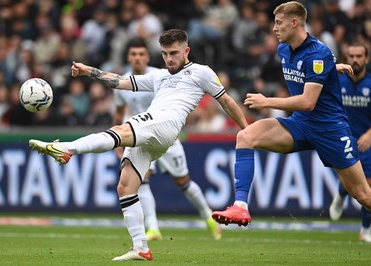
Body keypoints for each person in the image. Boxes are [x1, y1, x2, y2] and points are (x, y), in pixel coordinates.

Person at [29, 29, 248, 261]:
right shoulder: (159, 76)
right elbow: (119, 81)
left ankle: (67, 149)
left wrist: (246, 128)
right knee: (126, 185)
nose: (169, 58)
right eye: (165, 54)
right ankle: (140, 247)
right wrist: (87, 71)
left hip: (168, 123)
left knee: (121, 130)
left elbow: (226, 100)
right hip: (154, 134)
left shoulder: (201, 72)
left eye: (174, 53)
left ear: (186, 51)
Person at [212, 1, 371, 228]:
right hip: (301, 124)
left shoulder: (318, 53)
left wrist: (267, 100)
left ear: (294, 23)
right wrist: (335, 67)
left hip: (330, 129)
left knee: (364, 195)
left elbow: (308, 101)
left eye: (278, 23)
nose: (274, 28)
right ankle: (240, 207)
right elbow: (317, 68)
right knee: (246, 136)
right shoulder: (284, 49)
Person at [113, 38, 222, 241]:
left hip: (166, 136)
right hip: (140, 137)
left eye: (141, 54)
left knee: (183, 182)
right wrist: (117, 139)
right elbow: (119, 112)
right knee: (142, 181)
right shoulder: (123, 82)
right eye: (133, 54)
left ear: (147, 56)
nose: (137, 58)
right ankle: (153, 228)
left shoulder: (161, 76)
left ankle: (208, 216)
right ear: (129, 57)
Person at [329, 43, 371, 243]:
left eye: (360, 56)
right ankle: (341, 194)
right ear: (346, 57)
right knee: (349, 181)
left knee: (369, 186)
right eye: (352, 56)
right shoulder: (337, 81)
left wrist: (370, 133)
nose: (355, 60)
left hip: (366, 141)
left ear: (366, 59)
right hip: (343, 138)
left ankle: (365, 230)